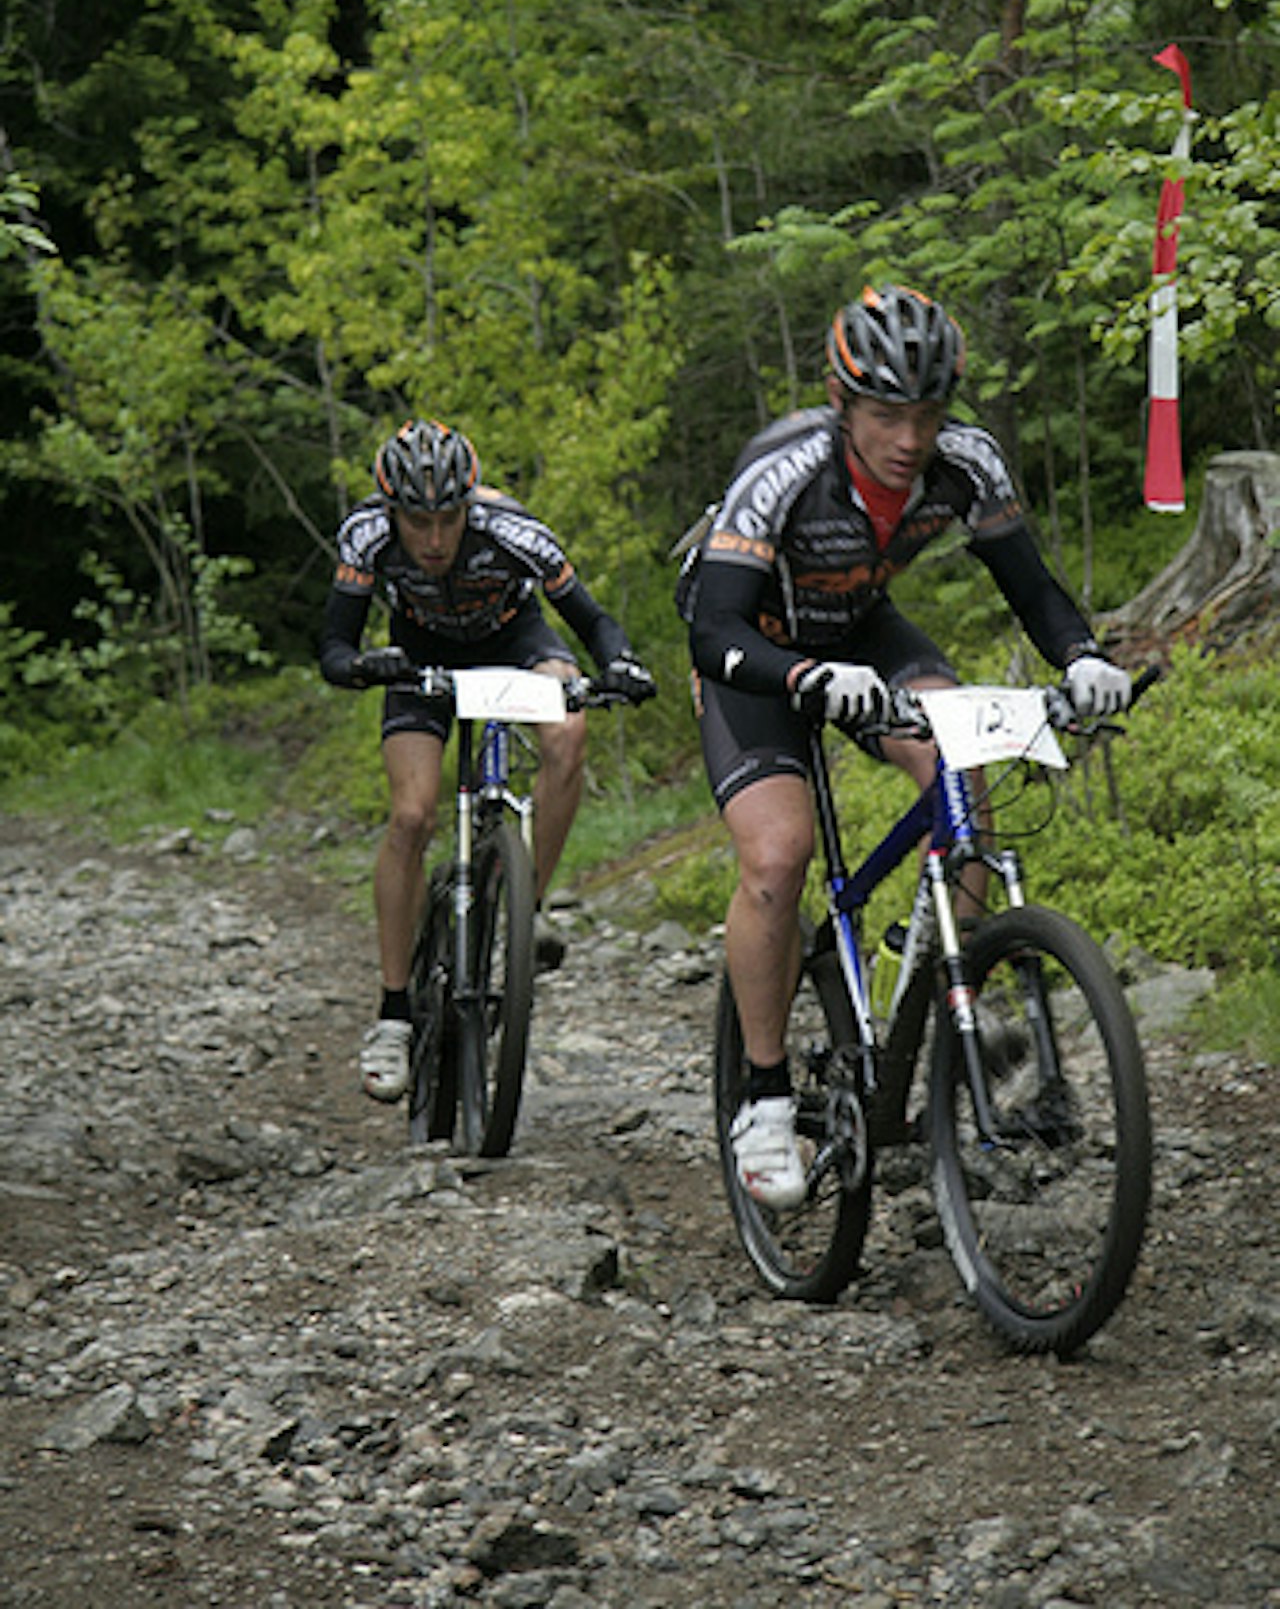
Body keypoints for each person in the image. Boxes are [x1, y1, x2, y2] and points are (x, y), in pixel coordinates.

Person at [682, 284, 1131, 1210]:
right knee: (778, 857)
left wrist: (1083, 656)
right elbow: (713, 625)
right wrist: (802, 675)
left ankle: (939, 1000)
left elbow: (1032, 588)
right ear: (842, 403)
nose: (910, 438)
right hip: (754, 648)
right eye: (887, 415)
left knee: (963, 769)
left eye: (927, 414)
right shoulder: (784, 472)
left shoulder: (967, 463)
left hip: (860, 627)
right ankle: (764, 1097)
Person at [321, 417, 656, 1104]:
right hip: (417, 654)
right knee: (411, 816)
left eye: (449, 519)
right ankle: (392, 1013)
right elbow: (334, 645)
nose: (435, 539)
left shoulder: (514, 531)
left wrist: (620, 663)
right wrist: (361, 667)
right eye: (418, 522)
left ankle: (528, 907)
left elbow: (592, 620)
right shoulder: (365, 535)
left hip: (513, 641)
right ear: (392, 512)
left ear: (469, 505)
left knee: (567, 733)